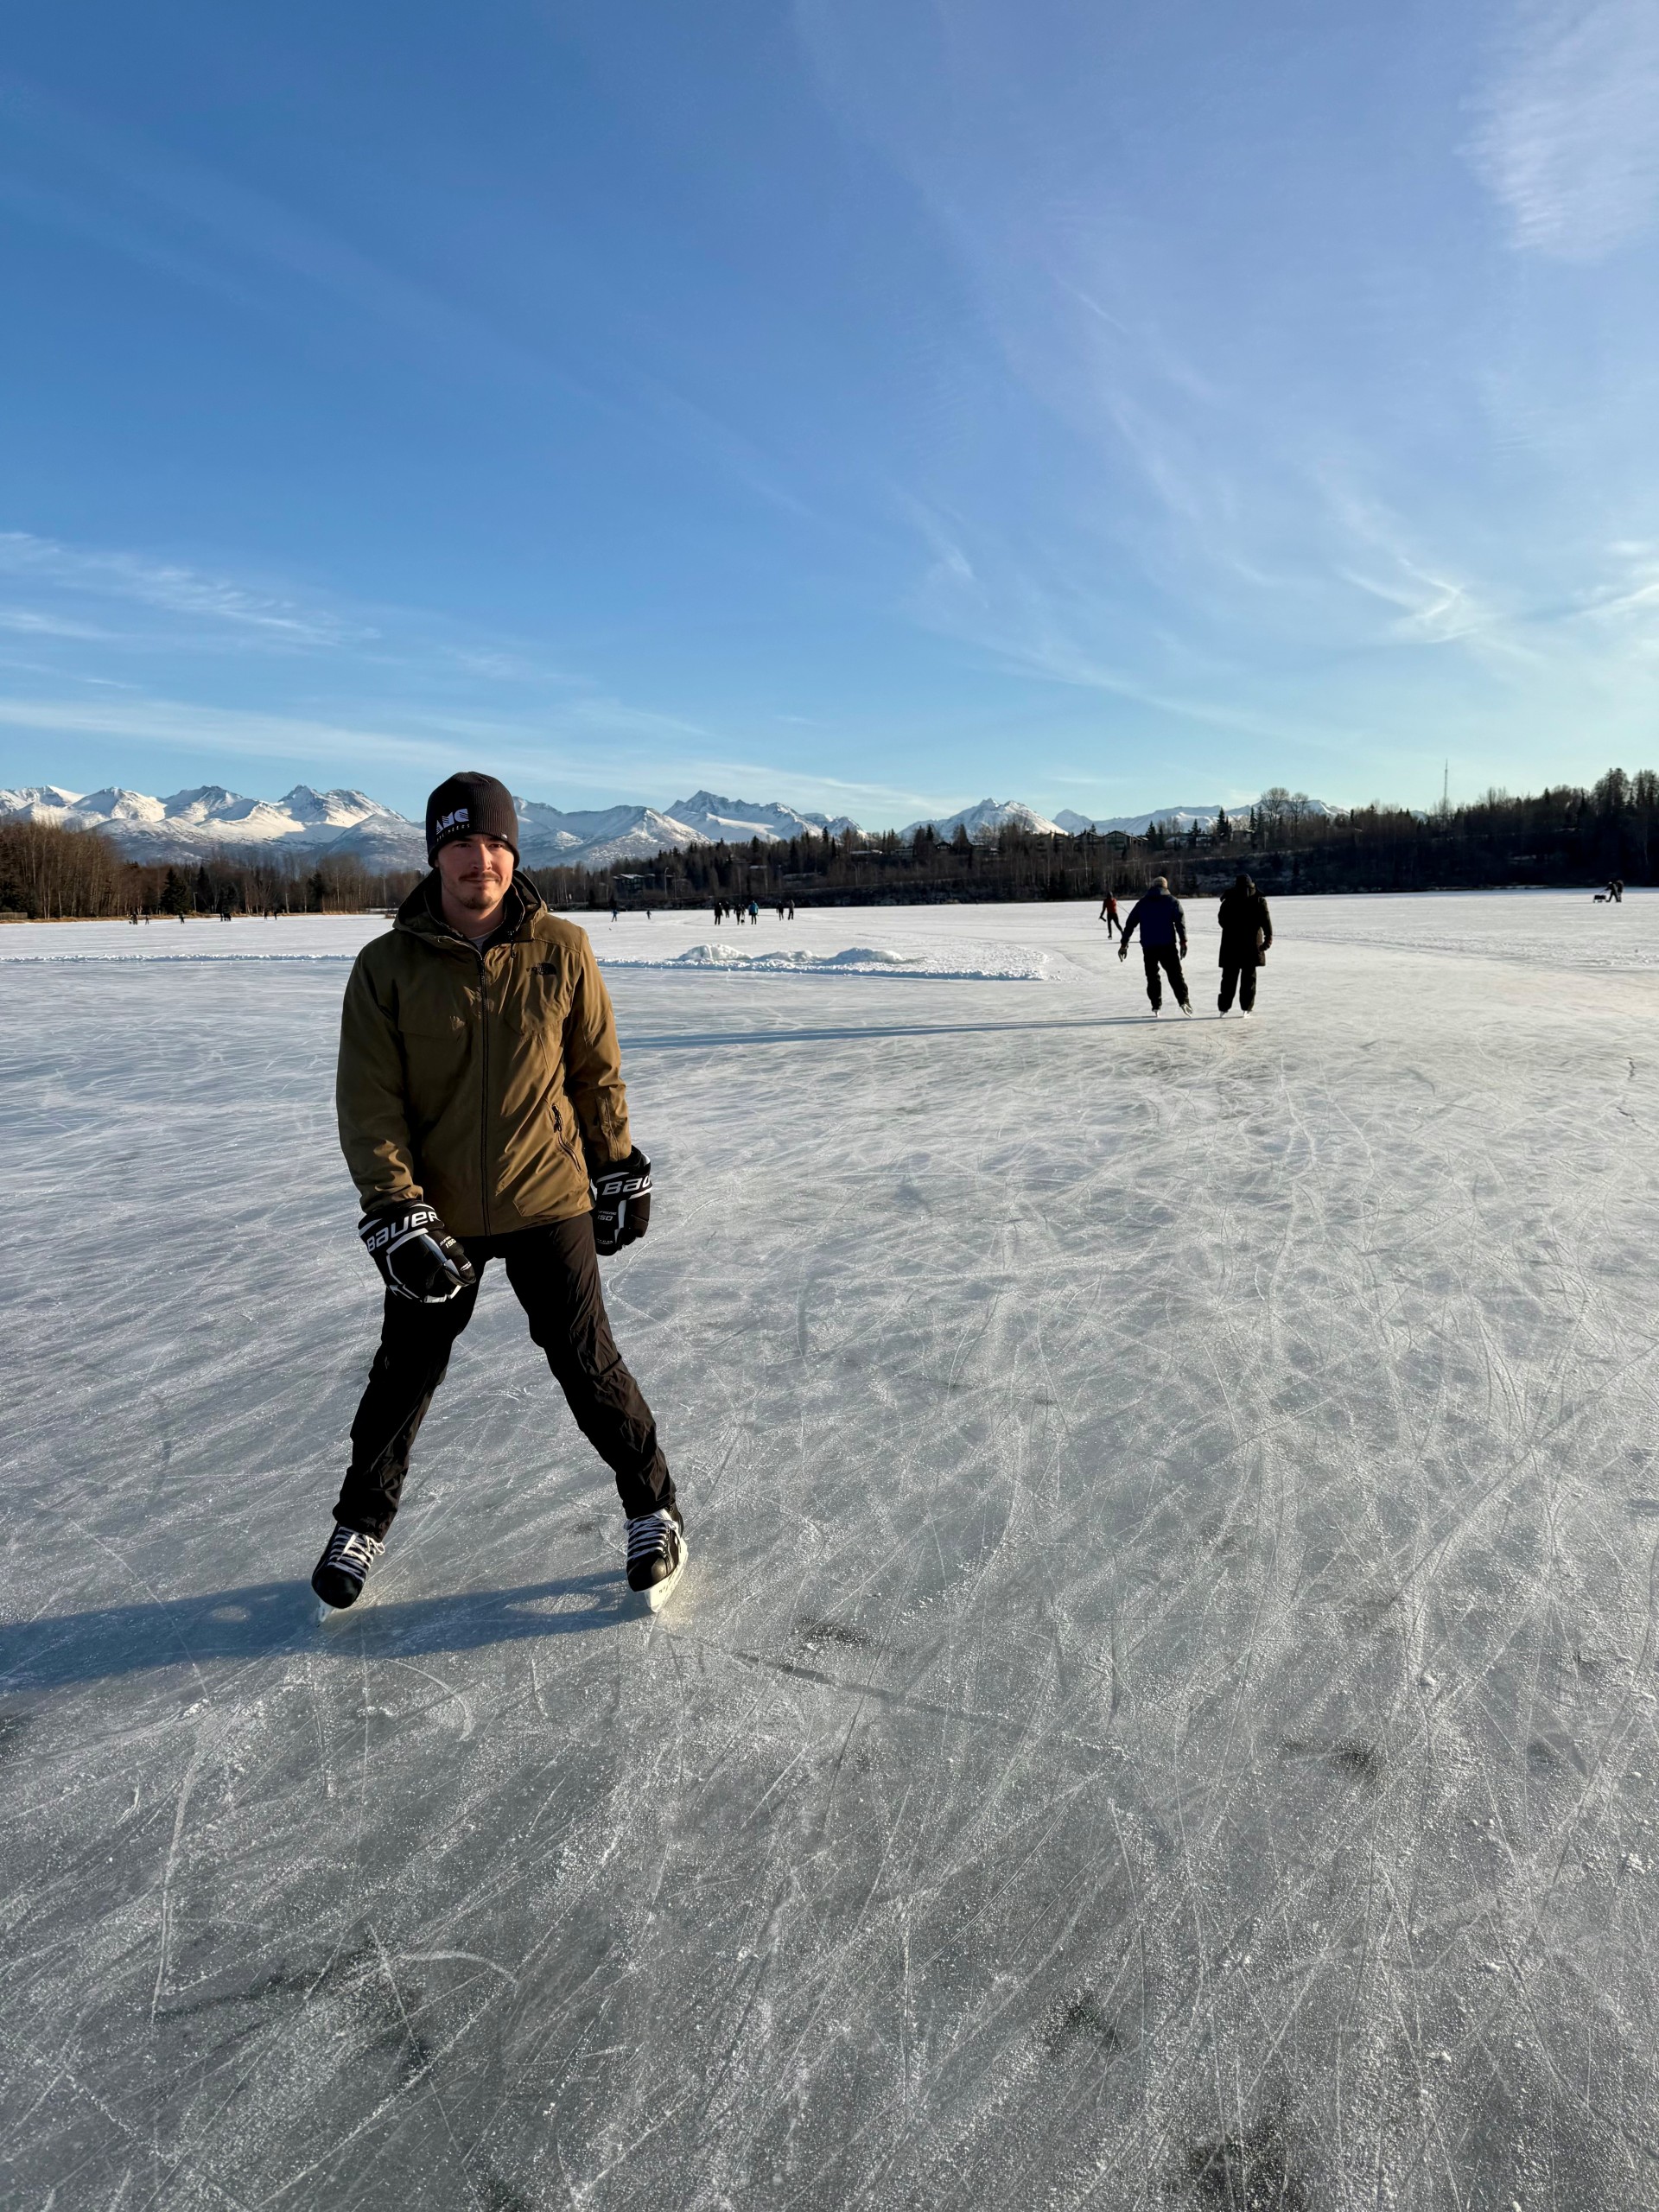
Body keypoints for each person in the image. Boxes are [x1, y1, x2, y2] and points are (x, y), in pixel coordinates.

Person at [315, 771, 684, 1615]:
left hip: (547, 1195)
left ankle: (652, 1504)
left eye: (494, 843)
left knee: (588, 1362)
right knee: (402, 1374)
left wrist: (616, 1162)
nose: (478, 859)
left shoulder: (562, 948)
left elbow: (594, 1073)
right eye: (460, 843)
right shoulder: (386, 966)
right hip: (435, 1212)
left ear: (513, 853)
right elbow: (368, 1101)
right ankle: (360, 1521)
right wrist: (392, 1204)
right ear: (435, 855)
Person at [1118, 876, 1192, 1014]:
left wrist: (1124, 944)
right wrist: (1183, 942)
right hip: (1168, 946)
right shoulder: (1173, 902)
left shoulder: (1143, 903)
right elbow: (1180, 924)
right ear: (1165, 886)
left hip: (1149, 947)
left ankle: (1156, 1005)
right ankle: (1184, 1001)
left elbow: (1130, 924)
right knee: (1175, 975)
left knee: (1152, 977)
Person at [1216, 870, 1273, 1017]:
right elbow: (1266, 921)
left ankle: (1224, 1007)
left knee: (1228, 978)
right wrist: (1268, 938)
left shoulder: (1229, 899)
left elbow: (1222, 920)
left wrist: (1232, 928)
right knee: (1249, 978)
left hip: (1231, 944)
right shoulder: (1259, 899)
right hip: (1252, 945)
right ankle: (1246, 1007)